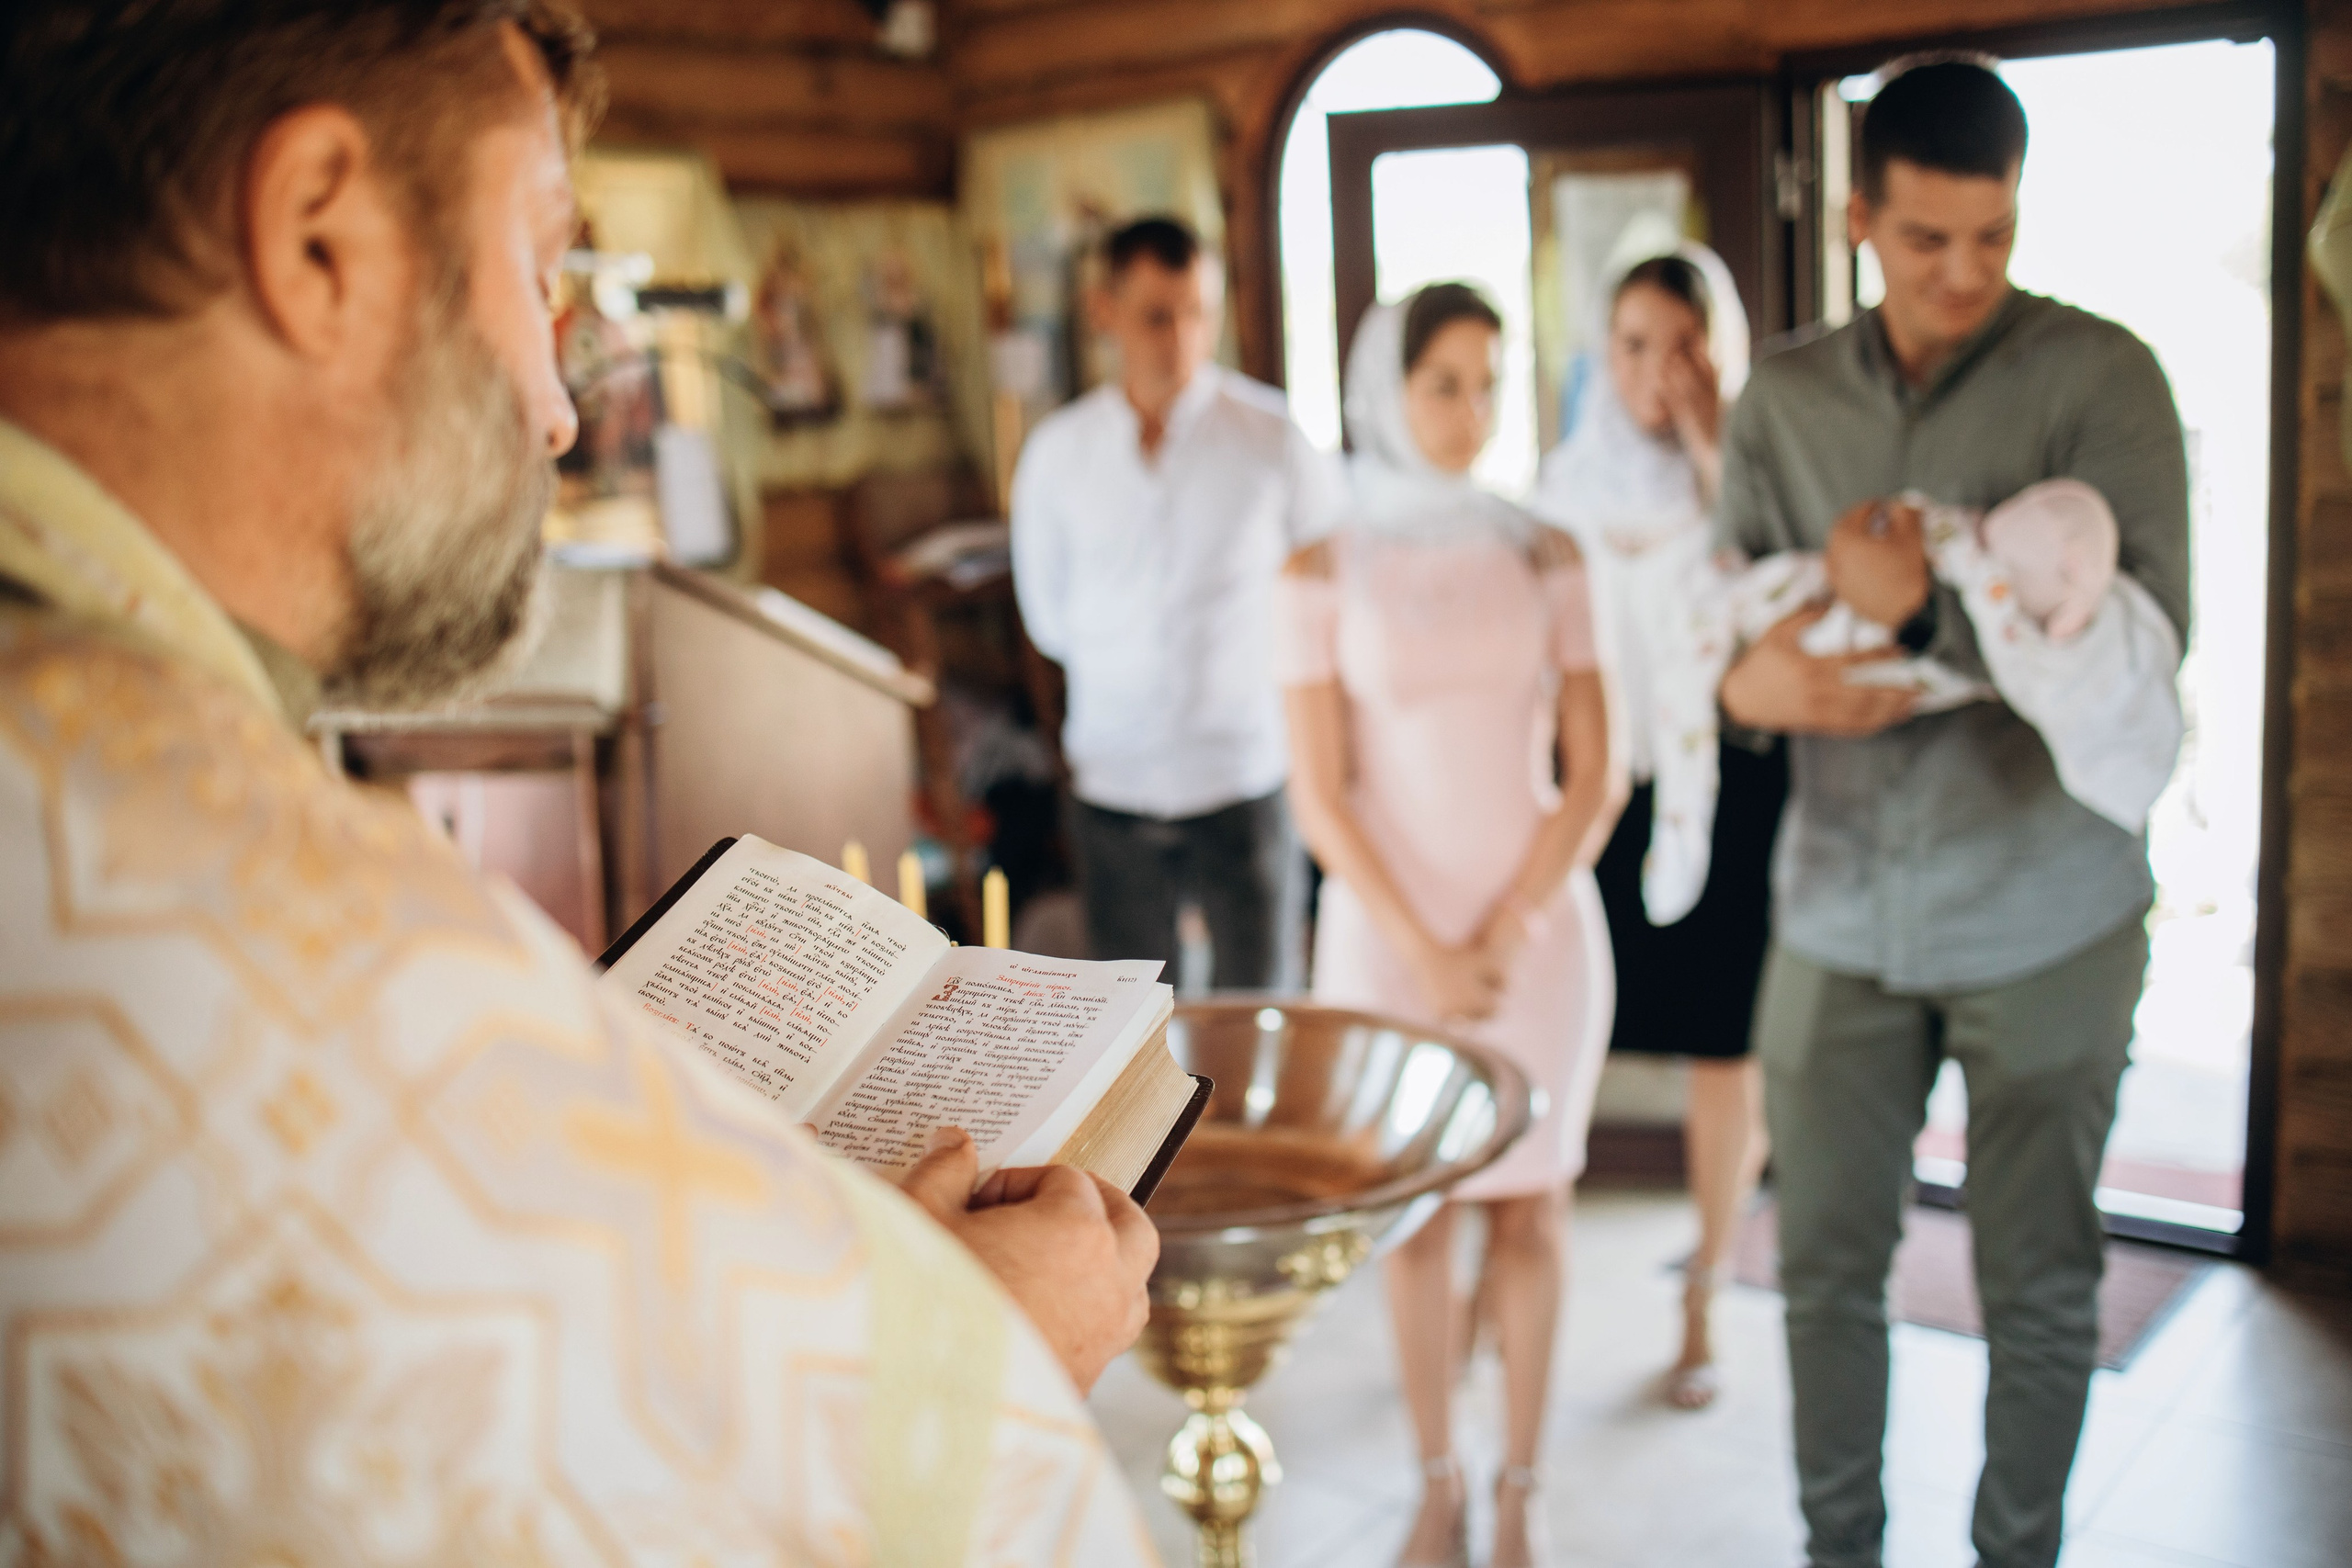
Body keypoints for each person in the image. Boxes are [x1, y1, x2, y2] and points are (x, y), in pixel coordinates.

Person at [0, 5, 1159, 1562]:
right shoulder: (265, 934)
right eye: (535, 265)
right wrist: (991, 1358)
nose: (559, 407)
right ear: (319, 236)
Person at [1715, 57, 2189, 1568]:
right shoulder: (1782, 400)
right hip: (1838, 904)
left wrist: (1920, 619)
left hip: (2049, 902)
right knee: (1823, 1272)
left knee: (2041, 1279)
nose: (1966, 272)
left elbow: (2144, 646)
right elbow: (1720, 634)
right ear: (1859, 217)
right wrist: (1754, 692)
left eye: (1994, 235)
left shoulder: (2103, 382)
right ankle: (1838, 1551)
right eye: (1927, 239)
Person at [1278, 285, 1619, 1568]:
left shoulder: (1550, 551)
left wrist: (1509, 924)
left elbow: (1599, 769)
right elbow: (1320, 791)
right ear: (1386, 391)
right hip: (1387, 938)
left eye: (1490, 382)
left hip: (1537, 936)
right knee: (1414, 1216)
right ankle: (1437, 1480)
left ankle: (1521, 1486)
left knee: (1532, 1211)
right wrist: (1426, 950)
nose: (1472, 411)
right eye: (1445, 384)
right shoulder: (1320, 567)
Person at [1532, 245, 1781, 1413]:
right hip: (1596, 791)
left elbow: (1775, 590)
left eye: (1679, 344)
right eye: (1631, 344)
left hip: (1722, 793)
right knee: (1561, 1026)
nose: (1652, 370)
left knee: (1724, 1049)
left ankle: (1706, 1293)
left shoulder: (1745, 476)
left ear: (1713, 351)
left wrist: (1711, 442)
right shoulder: (1560, 486)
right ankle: (1518, 1277)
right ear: (1600, 354)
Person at [1011, 215, 1338, 987]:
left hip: (1243, 775)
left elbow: (1327, 593)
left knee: (1261, 1015)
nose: (1183, 339)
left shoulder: (1273, 439)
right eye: (1160, 316)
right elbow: (1049, 620)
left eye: (1200, 313)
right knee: (1134, 1028)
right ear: (1105, 312)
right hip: (1114, 784)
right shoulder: (1058, 457)